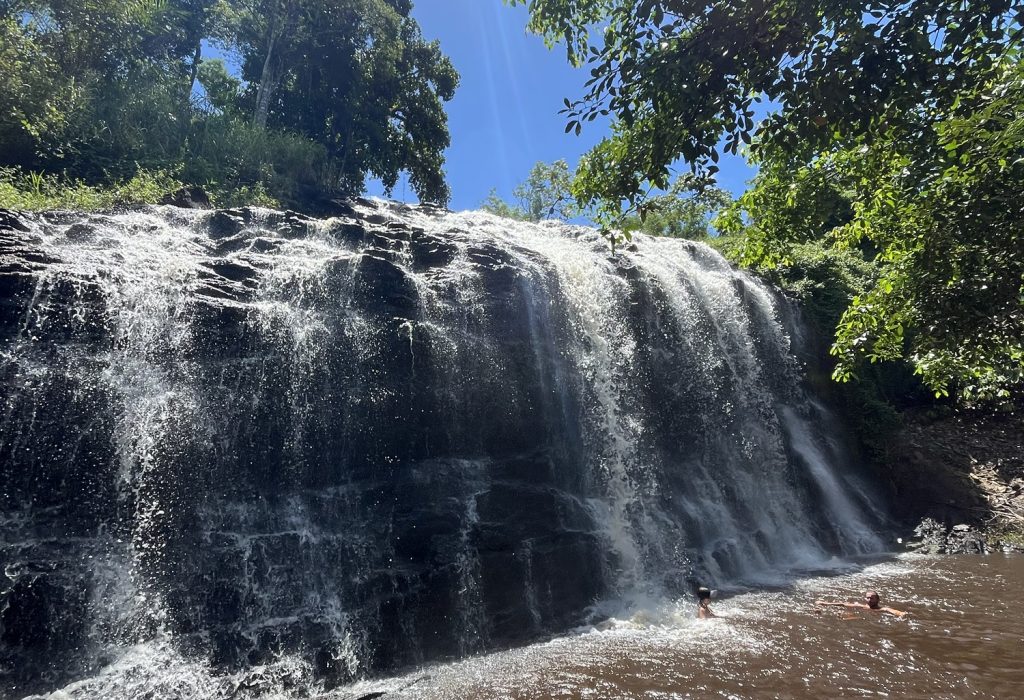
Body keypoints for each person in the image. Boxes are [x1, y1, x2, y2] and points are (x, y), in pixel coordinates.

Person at [815, 590, 907, 618]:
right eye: (868, 598)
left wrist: (900, 613)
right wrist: (824, 603)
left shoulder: (882, 609)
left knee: (849, 616)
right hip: (860, 615)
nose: (870, 599)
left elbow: (891, 610)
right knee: (844, 614)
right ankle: (820, 614)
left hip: (866, 619)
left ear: (878, 600)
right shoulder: (861, 606)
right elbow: (843, 604)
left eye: (872, 598)